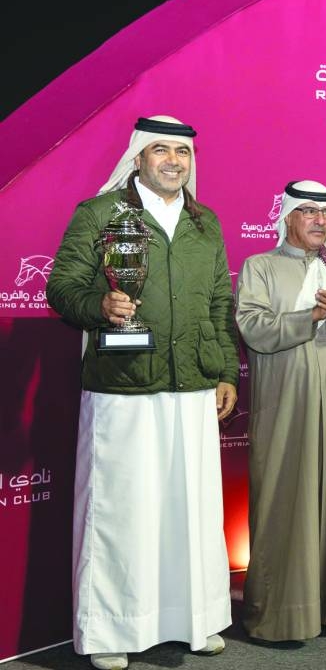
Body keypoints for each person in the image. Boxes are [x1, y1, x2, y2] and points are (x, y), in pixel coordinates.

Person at [46, 115, 238, 670]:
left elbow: (219, 305)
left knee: (190, 509)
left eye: (183, 152)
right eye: (161, 150)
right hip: (123, 385)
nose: (174, 161)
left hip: (194, 384)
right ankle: (109, 630)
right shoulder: (100, 213)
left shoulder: (206, 224)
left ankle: (192, 619)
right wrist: (100, 307)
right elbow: (63, 287)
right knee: (120, 510)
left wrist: (225, 370)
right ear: (138, 157)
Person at [235, 180, 326, 641]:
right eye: (311, 212)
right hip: (284, 402)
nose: (322, 221)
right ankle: (282, 614)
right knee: (285, 495)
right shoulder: (260, 267)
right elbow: (254, 328)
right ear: (289, 217)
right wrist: (312, 316)